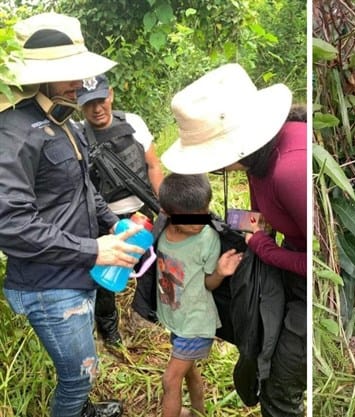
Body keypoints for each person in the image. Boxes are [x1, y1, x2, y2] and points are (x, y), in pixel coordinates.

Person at [0, 12, 145, 417]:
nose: (79, 84)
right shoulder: (12, 131)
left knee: (85, 366)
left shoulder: (63, 121)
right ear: (36, 77)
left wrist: (112, 223)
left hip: (77, 272)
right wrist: (91, 249)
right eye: (69, 75)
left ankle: (81, 409)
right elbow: (9, 224)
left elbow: (84, 189)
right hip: (48, 285)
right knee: (78, 375)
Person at [161, 63, 307, 417]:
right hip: (287, 264)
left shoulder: (291, 170)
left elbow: (318, 263)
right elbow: (266, 217)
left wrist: (260, 245)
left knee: (280, 388)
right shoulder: (259, 160)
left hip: (308, 281)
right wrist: (243, 225)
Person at [77, 73, 164, 346]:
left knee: (151, 264)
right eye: (89, 103)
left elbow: (152, 165)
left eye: (101, 100)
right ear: (79, 104)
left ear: (111, 94)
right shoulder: (78, 133)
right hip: (104, 218)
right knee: (107, 276)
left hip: (141, 210)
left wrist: (162, 206)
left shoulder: (133, 122)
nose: (97, 108)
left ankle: (145, 315)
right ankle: (108, 330)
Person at [155, 173, 241, 417]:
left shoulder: (207, 238)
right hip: (176, 319)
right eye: (189, 217)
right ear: (168, 213)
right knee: (189, 371)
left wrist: (221, 272)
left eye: (202, 211)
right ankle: (197, 412)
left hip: (196, 323)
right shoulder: (161, 230)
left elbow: (209, 284)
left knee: (170, 380)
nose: (198, 222)